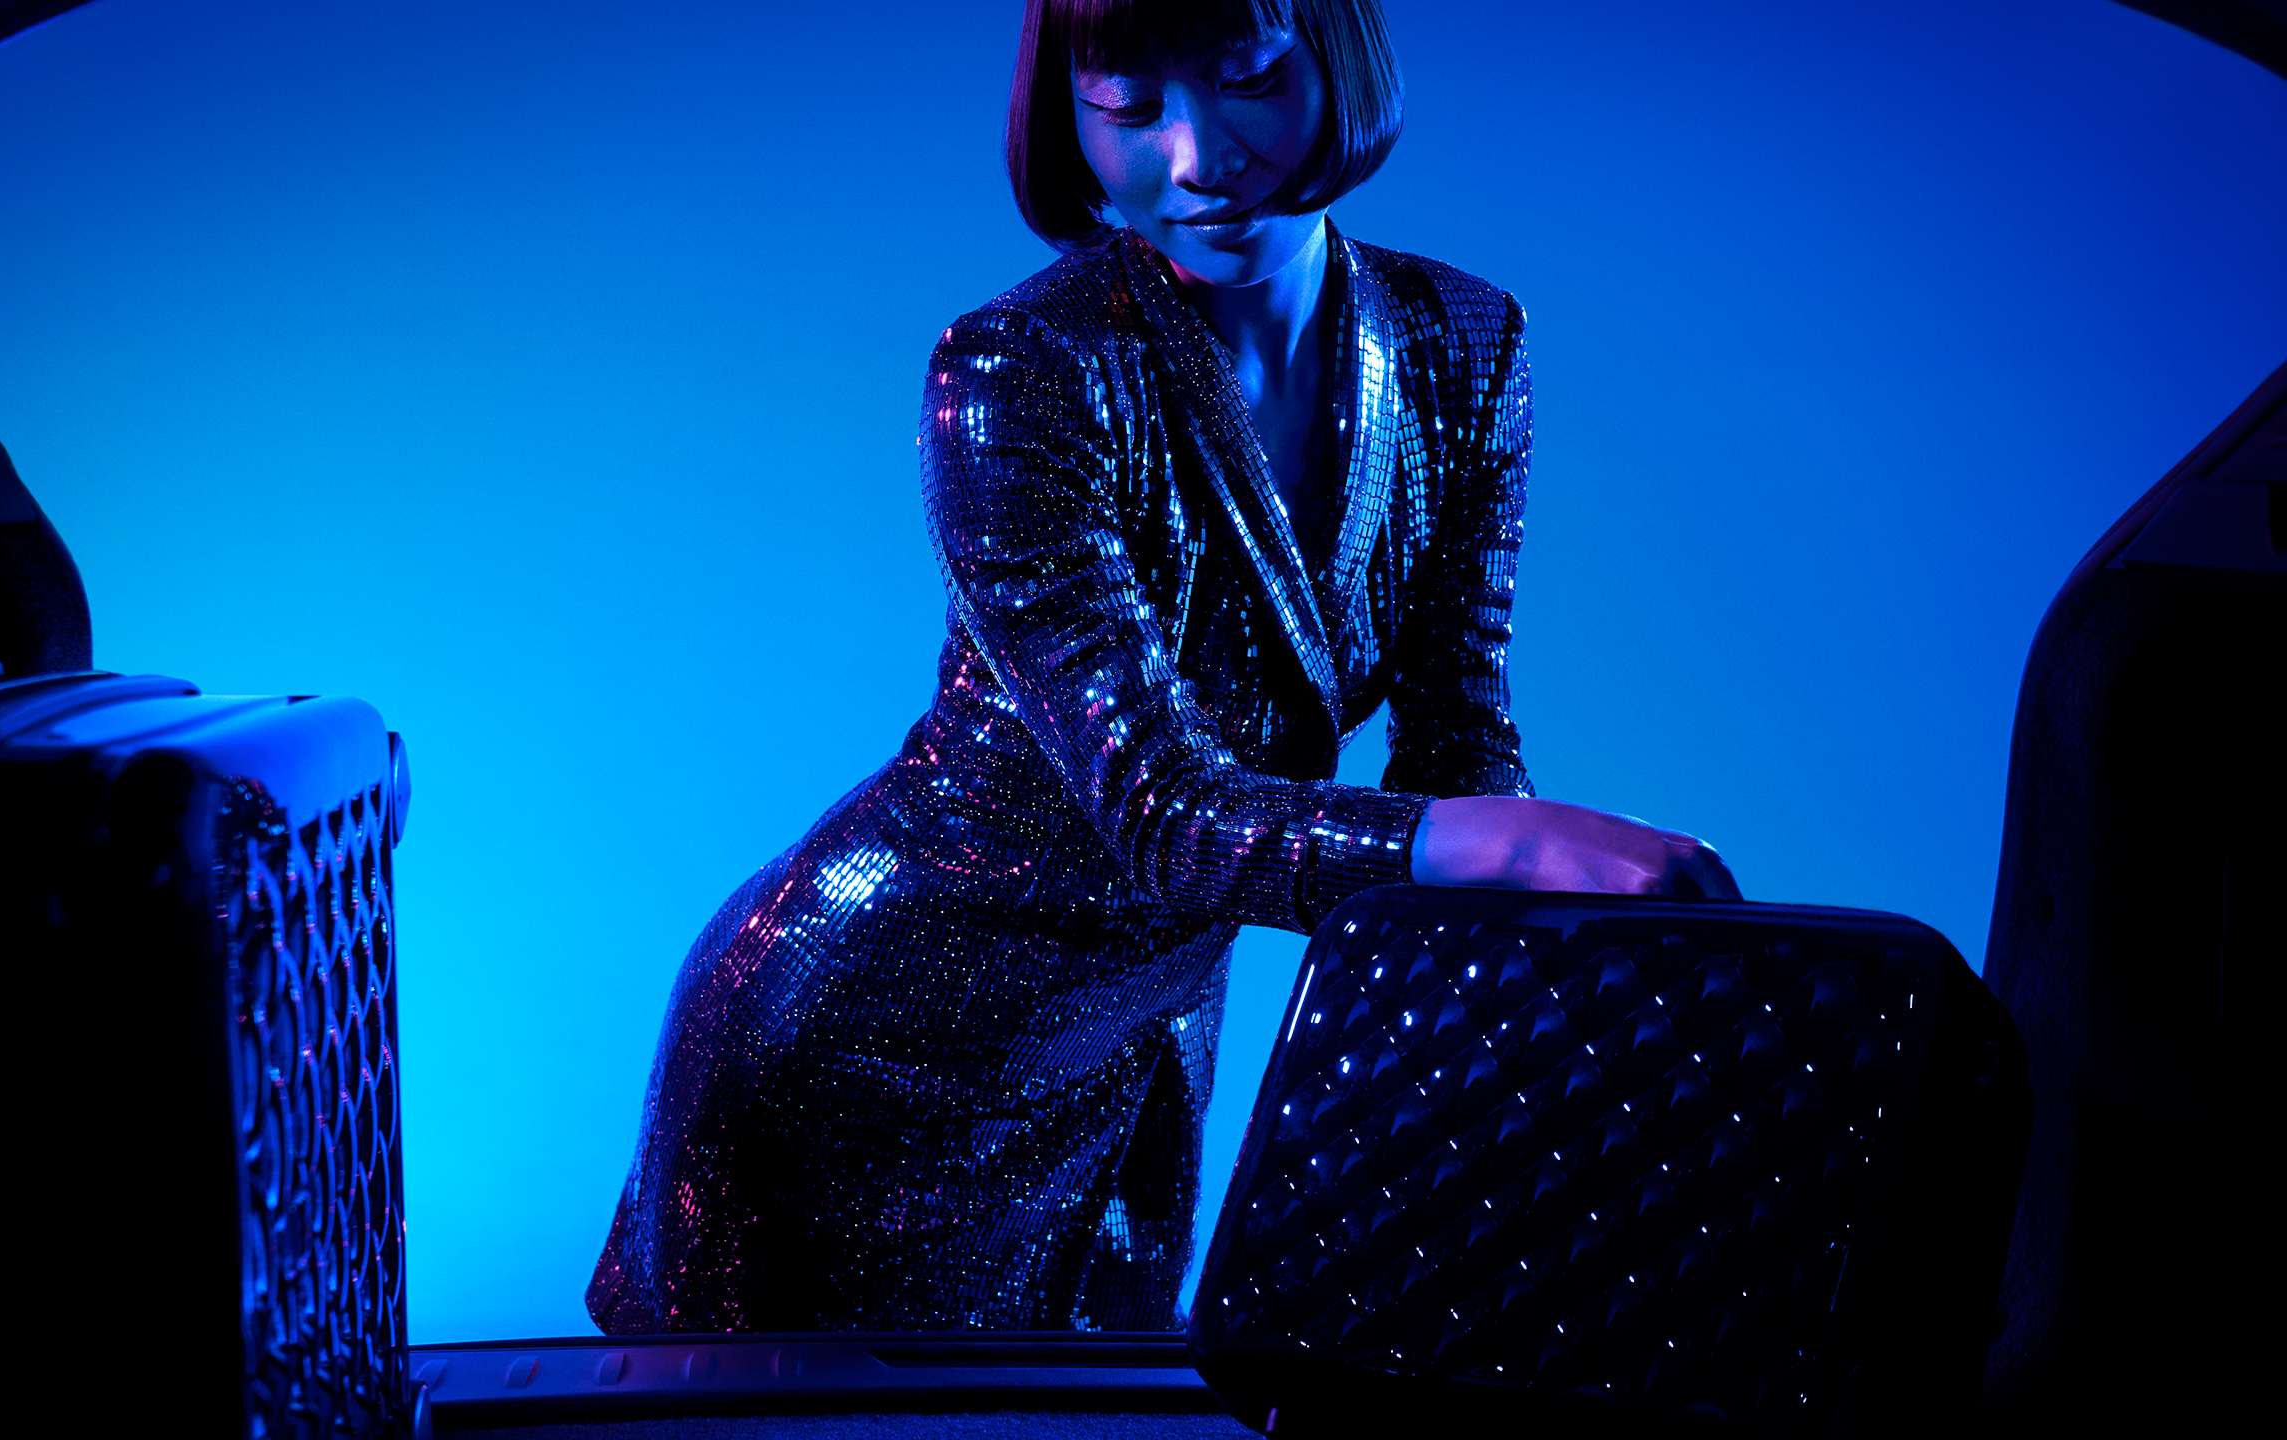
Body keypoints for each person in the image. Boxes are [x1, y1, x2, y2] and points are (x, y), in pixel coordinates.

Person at [588, 0, 1738, 1336]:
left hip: (1138, 1052)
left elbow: (1460, 734)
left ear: (1335, 56)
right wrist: (1518, 846)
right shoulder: (1021, 369)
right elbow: (1161, 811)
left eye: (1248, 78)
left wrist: (1542, 985)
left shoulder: (1464, 344)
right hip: (871, 1052)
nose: (1195, 159)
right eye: (1129, 108)